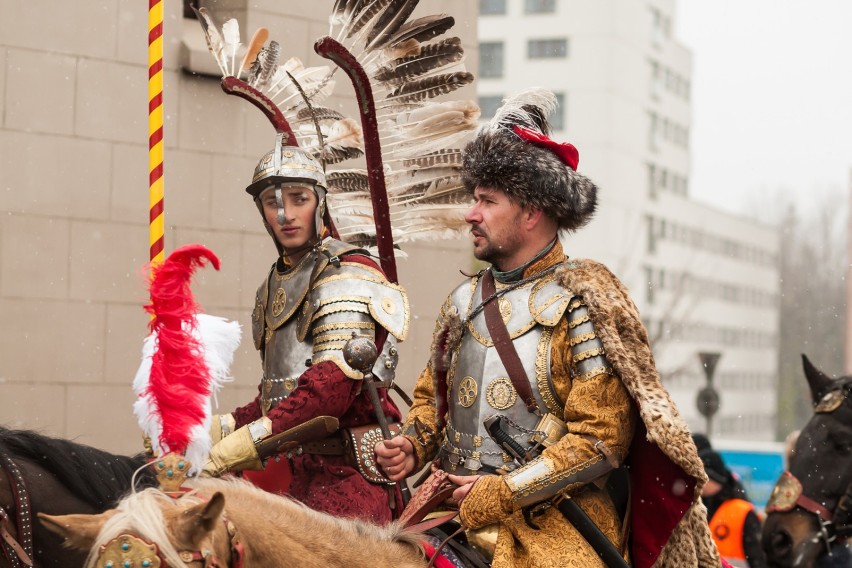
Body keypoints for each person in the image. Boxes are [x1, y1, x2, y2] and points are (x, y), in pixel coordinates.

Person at [376, 89, 720, 567]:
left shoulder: (582, 301)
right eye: (473, 199)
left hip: (554, 522)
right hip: (446, 509)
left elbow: (601, 440)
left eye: (487, 201)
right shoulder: (461, 302)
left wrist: (502, 491)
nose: (470, 213)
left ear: (532, 212)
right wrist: (412, 445)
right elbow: (431, 404)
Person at [202, 132, 410, 525]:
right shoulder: (276, 283)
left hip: (346, 480)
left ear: (320, 202)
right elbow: (278, 397)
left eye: (298, 199)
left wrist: (243, 443)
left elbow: (326, 393)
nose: (285, 214)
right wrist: (210, 428)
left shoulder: (346, 273)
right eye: (271, 203)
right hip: (292, 469)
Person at [693, 434, 768, 568]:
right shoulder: (695, 507)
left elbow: (758, 559)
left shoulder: (741, 511)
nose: (698, 483)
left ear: (713, 478)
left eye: (702, 478)